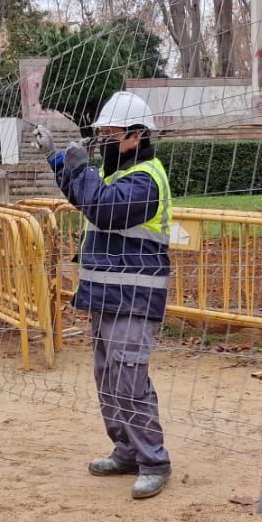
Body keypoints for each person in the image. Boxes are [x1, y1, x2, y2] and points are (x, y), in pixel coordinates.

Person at [46, 91, 173, 499]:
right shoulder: (118, 175)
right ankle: (126, 451)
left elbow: (103, 209)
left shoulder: (146, 179)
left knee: (130, 378)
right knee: (108, 378)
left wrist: (81, 168)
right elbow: (86, 197)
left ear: (136, 136)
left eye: (110, 134)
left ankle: (153, 461)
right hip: (107, 294)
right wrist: (58, 161)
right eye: (99, 134)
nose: (101, 141)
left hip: (135, 297)